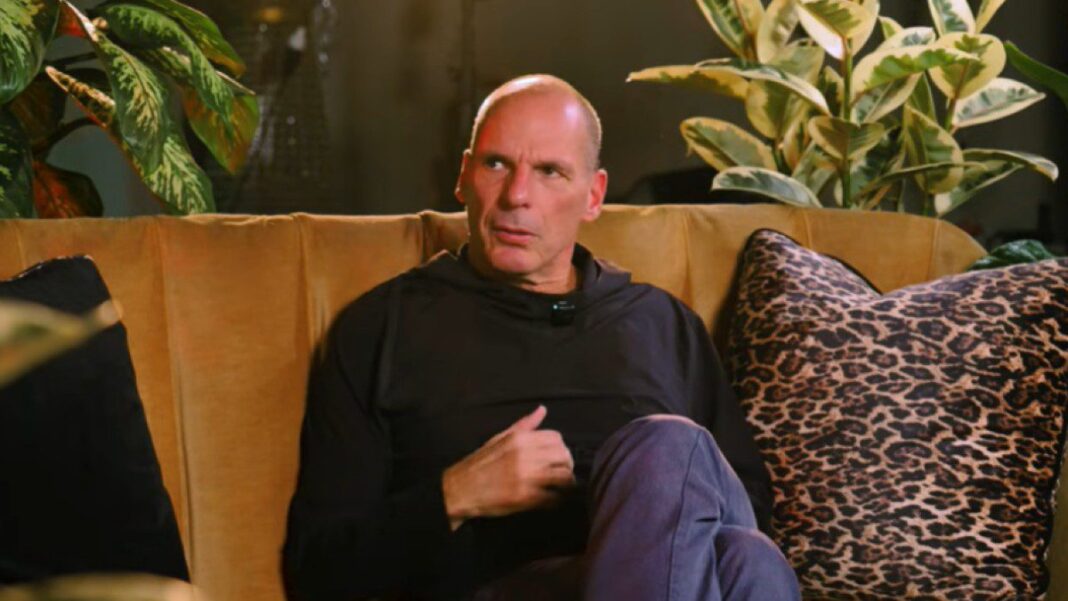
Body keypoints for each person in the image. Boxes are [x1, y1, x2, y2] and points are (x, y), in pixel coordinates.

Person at [283, 74, 799, 601]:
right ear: (463, 177)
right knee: (688, 477)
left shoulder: (662, 324)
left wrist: (643, 499)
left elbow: (746, 506)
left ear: (593, 196)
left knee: (741, 547)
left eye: (550, 172)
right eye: (496, 164)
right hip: (490, 590)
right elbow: (319, 570)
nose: (517, 196)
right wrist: (456, 496)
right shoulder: (382, 328)